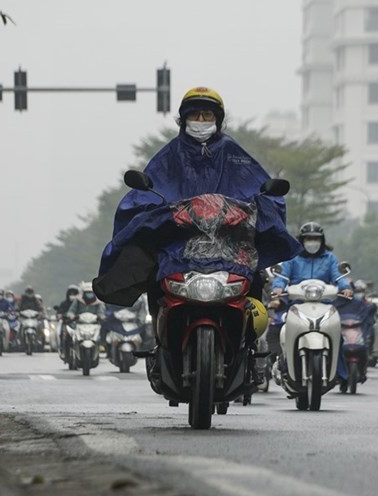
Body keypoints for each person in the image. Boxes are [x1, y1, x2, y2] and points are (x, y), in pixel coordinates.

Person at [96, 86, 299, 328]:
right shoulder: (169, 156)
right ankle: (159, 339)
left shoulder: (235, 154)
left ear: (218, 120)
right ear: (184, 120)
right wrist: (158, 214)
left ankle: (250, 349)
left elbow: (259, 188)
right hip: (177, 246)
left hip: (229, 244)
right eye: (195, 115)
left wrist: (258, 204)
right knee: (153, 273)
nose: (201, 121)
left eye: (207, 115)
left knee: (255, 276)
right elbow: (145, 195)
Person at [269, 222, 353, 380]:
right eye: (308, 238)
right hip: (298, 304)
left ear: (322, 240)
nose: (312, 242)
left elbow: (339, 277)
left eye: (316, 238)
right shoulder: (292, 257)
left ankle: (339, 373)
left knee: (338, 336)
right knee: (285, 331)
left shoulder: (329, 259)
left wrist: (345, 287)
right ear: (301, 240)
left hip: (324, 305)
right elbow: (282, 276)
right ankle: (285, 367)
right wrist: (278, 287)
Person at [55, 284, 80, 362]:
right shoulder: (64, 304)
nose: (72, 296)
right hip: (67, 324)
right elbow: (59, 312)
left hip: (78, 324)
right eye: (71, 294)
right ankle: (63, 350)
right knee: (62, 334)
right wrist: (60, 315)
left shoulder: (80, 304)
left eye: (74, 294)